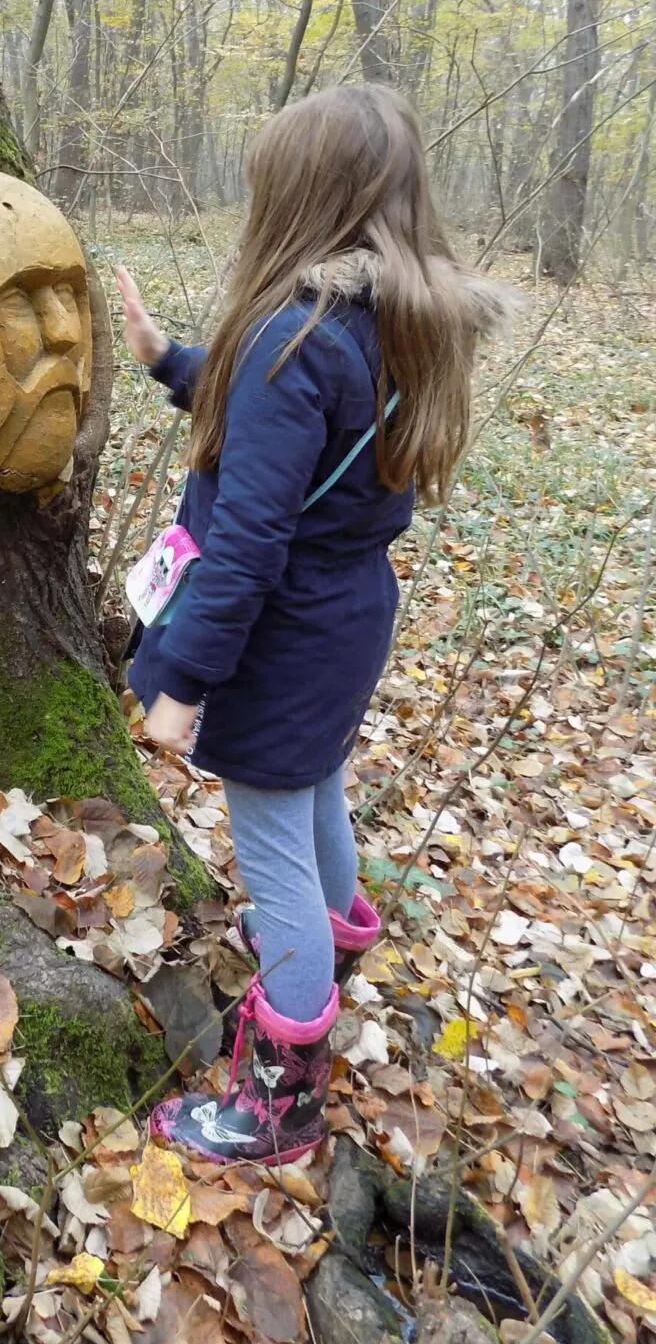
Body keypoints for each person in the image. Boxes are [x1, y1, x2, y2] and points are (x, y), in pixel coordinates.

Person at [116, 84, 516, 1166]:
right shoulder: (390, 322)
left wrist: (183, 684)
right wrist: (170, 361)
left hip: (279, 634)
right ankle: (330, 955)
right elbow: (285, 432)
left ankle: (281, 1097)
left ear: (299, 203)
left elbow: (248, 541)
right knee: (317, 784)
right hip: (346, 620)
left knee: (274, 846)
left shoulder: (293, 339)